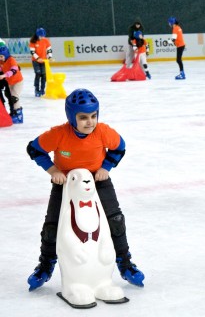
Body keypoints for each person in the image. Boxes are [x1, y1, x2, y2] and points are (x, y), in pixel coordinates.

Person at [26, 89, 145, 291]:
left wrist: (105, 168)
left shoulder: (102, 131)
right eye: (83, 117)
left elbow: (120, 147)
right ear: (71, 117)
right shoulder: (58, 134)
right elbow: (34, 149)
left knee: (115, 220)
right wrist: (53, 170)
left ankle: (125, 263)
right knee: (52, 225)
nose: (90, 122)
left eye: (93, 116)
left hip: (97, 180)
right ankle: (45, 265)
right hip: (65, 183)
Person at [0, 46, 24, 123]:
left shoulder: (11, 60)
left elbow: (14, 70)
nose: (0, 58)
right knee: (10, 97)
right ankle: (14, 113)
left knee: (14, 98)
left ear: (6, 55)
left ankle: (19, 116)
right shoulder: (1, 62)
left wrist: (4, 75)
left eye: (1, 56)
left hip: (18, 82)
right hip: (10, 83)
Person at [29, 27, 52, 97]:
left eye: (43, 36)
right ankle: (37, 89)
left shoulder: (46, 40)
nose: (42, 37)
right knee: (38, 74)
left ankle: (42, 89)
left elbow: (49, 49)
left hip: (44, 60)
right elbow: (32, 52)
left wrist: (50, 56)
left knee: (44, 75)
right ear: (37, 35)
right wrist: (38, 58)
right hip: (35, 61)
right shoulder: (32, 41)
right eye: (40, 36)